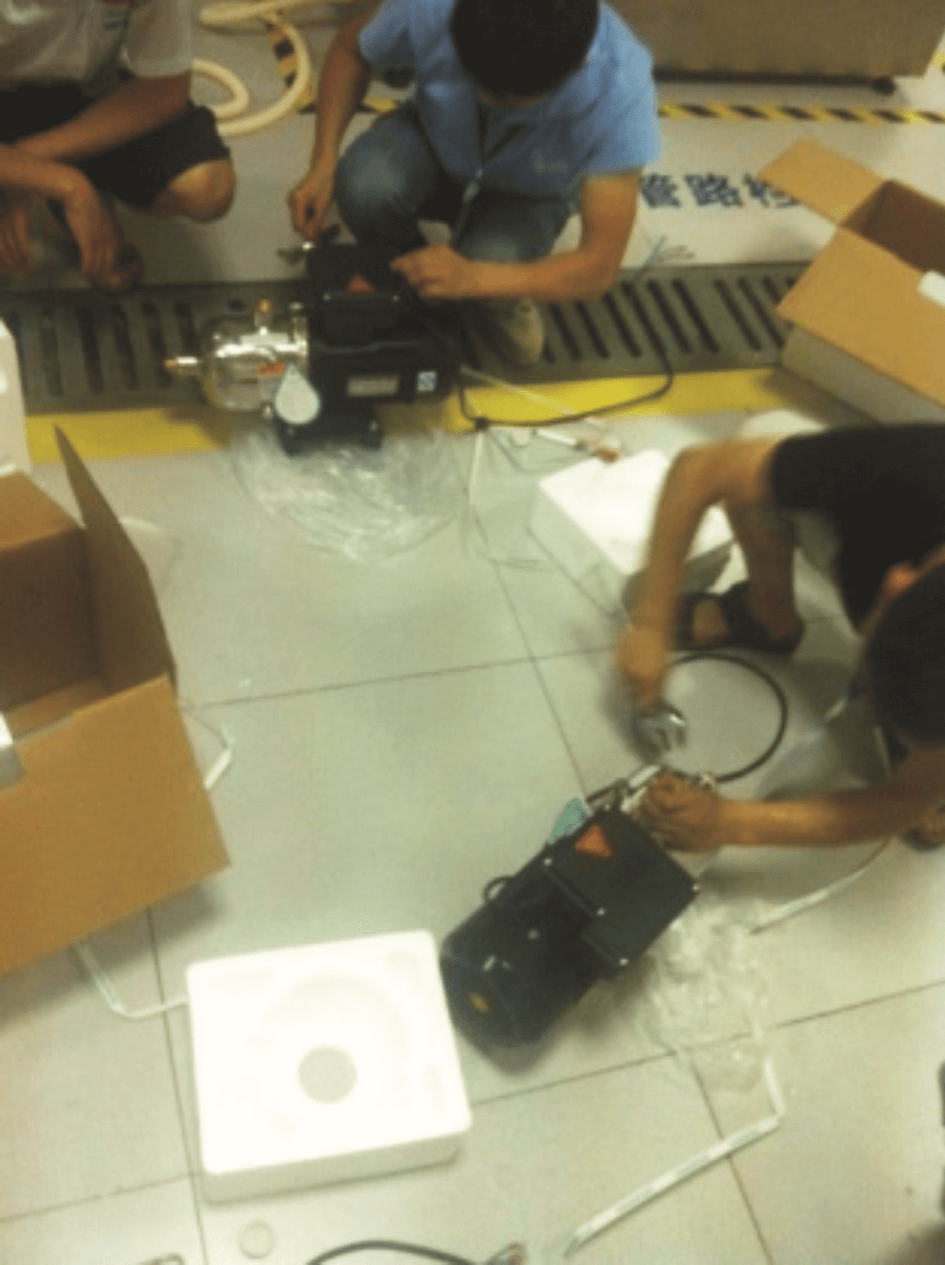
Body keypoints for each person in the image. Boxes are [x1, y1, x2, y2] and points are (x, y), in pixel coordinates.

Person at [618, 421, 945, 853]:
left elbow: (906, 801)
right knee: (757, 446)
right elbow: (703, 468)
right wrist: (650, 623)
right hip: (888, 510)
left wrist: (728, 824)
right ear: (896, 582)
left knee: (926, 779)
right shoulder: (920, 466)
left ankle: (921, 737)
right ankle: (766, 615)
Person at [288, 0, 659, 365]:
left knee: (492, 264)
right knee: (364, 187)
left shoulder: (620, 88)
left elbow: (598, 267)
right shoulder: (432, 6)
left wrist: (476, 278)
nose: (489, 103)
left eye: (511, 100)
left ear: (571, 72)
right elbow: (351, 49)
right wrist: (322, 165)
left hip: (530, 194)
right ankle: (407, 272)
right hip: (435, 139)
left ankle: (478, 276)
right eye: (475, 82)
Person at [0, 0, 236, 295]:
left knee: (207, 187)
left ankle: (72, 186)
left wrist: (31, 173)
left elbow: (164, 91)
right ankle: (68, 187)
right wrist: (62, 184)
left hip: (90, 93)